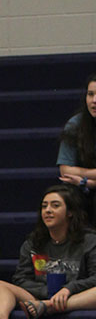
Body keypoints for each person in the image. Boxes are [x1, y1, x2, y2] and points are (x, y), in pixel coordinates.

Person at [0, 184, 96, 319]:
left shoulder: (89, 240)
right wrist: (46, 293)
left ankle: (49, 307)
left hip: (76, 296)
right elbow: (20, 278)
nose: (47, 210)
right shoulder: (34, 242)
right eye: (44, 206)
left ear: (70, 213)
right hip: (37, 297)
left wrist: (69, 289)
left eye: (55, 205)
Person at [57, 73, 96, 220]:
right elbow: (65, 169)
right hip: (81, 190)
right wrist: (89, 183)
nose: (94, 101)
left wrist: (85, 180)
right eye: (90, 94)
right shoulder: (75, 124)